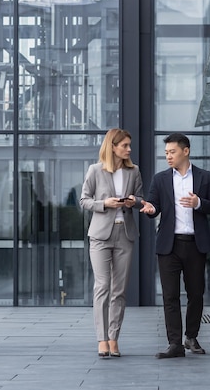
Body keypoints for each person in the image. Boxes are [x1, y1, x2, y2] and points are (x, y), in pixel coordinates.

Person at [140, 133, 210, 358]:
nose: (168, 156)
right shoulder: (160, 179)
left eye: (172, 152)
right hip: (169, 245)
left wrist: (199, 203)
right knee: (170, 296)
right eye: (166, 152)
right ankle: (175, 344)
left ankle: (191, 337)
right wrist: (150, 210)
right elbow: (154, 205)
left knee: (196, 294)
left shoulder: (204, 178)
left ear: (185, 151)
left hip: (195, 244)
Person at [80, 128, 144, 358]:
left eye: (129, 145)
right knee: (102, 286)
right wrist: (105, 203)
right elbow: (84, 200)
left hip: (125, 234)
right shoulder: (95, 170)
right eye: (125, 145)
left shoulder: (133, 171)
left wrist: (132, 202)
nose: (128, 149)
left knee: (119, 290)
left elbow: (140, 198)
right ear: (113, 146)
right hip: (100, 235)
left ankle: (114, 338)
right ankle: (102, 339)